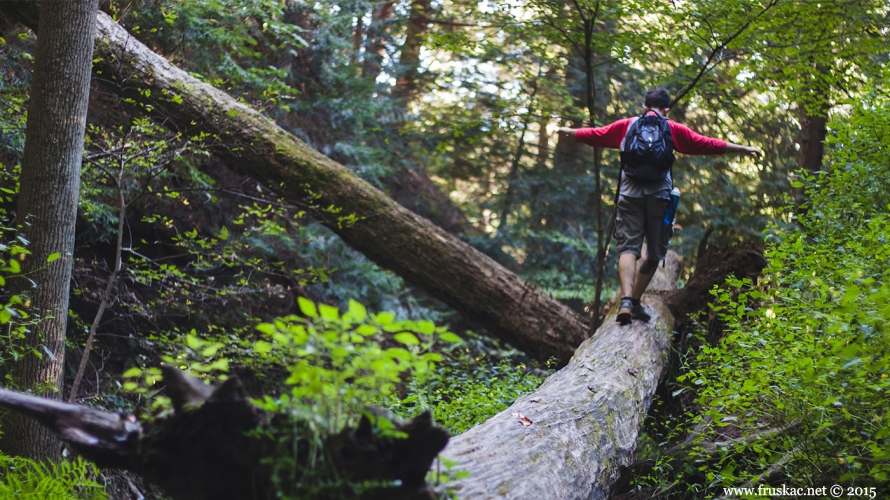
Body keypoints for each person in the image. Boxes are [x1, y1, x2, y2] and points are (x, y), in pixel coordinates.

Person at [557, 88, 762, 324]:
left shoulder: (627, 125)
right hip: (659, 196)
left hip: (629, 194)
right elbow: (706, 144)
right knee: (654, 254)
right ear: (666, 109)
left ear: (645, 106)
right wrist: (743, 148)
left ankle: (625, 302)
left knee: (628, 249)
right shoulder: (672, 128)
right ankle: (634, 301)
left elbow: (596, 135)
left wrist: (570, 132)